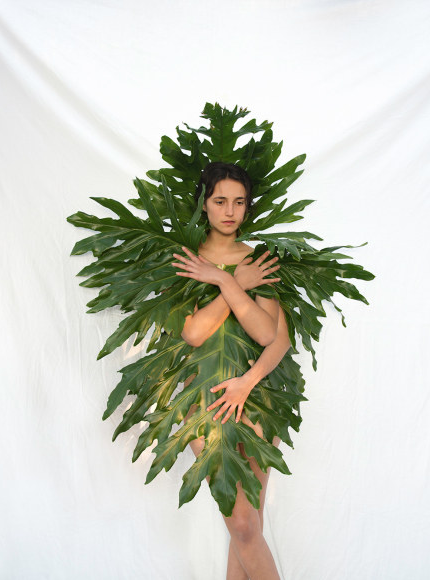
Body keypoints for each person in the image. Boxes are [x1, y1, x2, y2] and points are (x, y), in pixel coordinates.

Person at [172, 161, 289, 580]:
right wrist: (232, 281)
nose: (229, 211)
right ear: (204, 204)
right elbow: (194, 333)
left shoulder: (259, 262)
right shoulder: (186, 259)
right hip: (203, 400)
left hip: (255, 396)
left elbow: (268, 334)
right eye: (220, 200)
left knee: (248, 527)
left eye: (239, 202)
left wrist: (226, 281)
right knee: (240, 523)